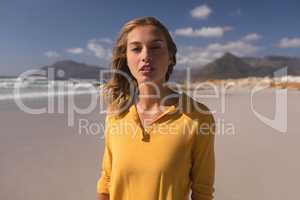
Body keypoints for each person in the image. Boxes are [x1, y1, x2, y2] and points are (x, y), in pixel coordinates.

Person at [96, 16, 216, 200]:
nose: (145, 56)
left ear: (171, 57)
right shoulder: (116, 114)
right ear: (126, 59)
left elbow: (203, 192)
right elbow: (106, 182)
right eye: (136, 49)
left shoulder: (198, 117)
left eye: (155, 47)